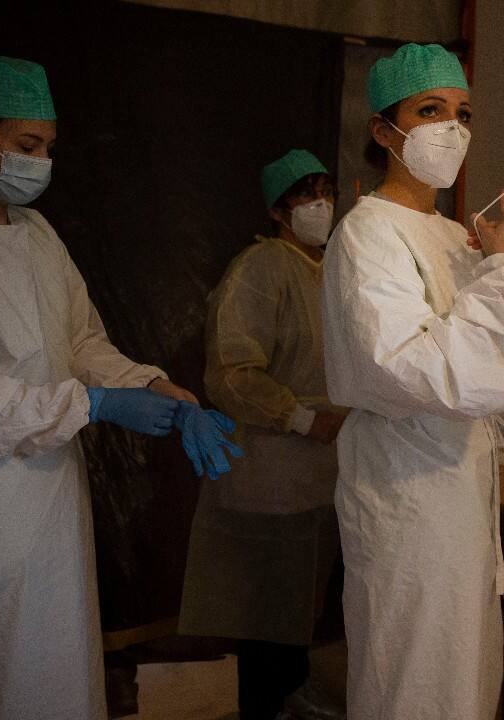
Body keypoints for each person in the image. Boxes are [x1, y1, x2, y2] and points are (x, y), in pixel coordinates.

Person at [0, 50, 233, 719]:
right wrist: (91, 403)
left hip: (52, 506)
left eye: (48, 146)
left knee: (55, 678)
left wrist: (153, 386)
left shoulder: (35, 234)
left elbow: (80, 342)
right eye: (25, 144)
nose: (42, 161)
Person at [320, 43, 504, 719]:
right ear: (384, 130)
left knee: (464, 683)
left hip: (460, 494)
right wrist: (501, 272)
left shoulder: (452, 235)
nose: (452, 128)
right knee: (411, 690)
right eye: (430, 110)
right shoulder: (367, 235)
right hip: (408, 500)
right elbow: (443, 374)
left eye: (463, 112)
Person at [178, 148, 347, 720]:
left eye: (325, 190)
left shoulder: (332, 270)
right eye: (305, 195)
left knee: (299, 608)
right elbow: (231, 373)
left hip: (320, 474)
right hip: (271, 473)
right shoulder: (260, 268)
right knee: (266, 620)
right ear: (278, 210)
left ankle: (291, 697)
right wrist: (302, 418)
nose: (319, 204)